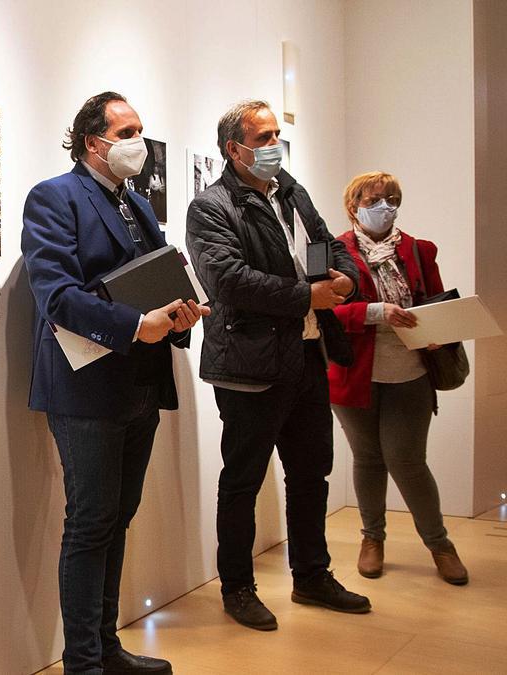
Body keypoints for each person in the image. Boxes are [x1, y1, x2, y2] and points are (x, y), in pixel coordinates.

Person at [23, 91, 207, 674]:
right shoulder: (54, 197)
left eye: (140, 131)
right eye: (125, 132)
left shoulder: (139, 205)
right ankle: (83, 662)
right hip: (86, 388)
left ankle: (106, 647)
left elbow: (153, 278)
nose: (138, 143)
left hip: (141, 386)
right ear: (91, 142)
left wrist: (179, 312)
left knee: (118, 518)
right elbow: (56, 296)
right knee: (90, 522)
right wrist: (136, 323)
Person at [185, 99, 371, 632]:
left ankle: (311, 575)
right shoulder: (211, 206)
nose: (273, 146)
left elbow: (330, 248)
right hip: (248, 363)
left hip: (308, 354)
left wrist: (345, 281)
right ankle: (237, 588)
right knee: (242, 481)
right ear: (234, 149)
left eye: (275, 136)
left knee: (311, 473)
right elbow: (228, 281)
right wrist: (305, 297)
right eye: (262, 137)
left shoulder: (291, 189)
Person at [327, 171, 468, 585]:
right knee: (368, 459)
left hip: (411, 373)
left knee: (407, 461)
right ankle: (372, 539)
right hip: (353, 373)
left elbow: (435, 303)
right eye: (375, 199)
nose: (385, 206)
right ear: (354, 205)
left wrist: (439, 333)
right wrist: (376, 312)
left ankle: (440, 544)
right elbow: (325, 311)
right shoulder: (336, 251)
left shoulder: (418, 250)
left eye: (392, 199)